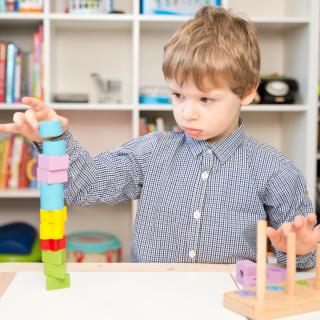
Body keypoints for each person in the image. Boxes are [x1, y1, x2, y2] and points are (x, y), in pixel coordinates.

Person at [1, 6, 319, 268]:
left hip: (228, 302)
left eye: (205, 99)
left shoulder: (274, 168)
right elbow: (84, 188)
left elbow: (300, 262)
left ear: (248, 92)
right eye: (178, 95)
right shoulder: (152, 151)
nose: (187, 113)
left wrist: (301, 249)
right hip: (149, 299)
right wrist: (53, 139)